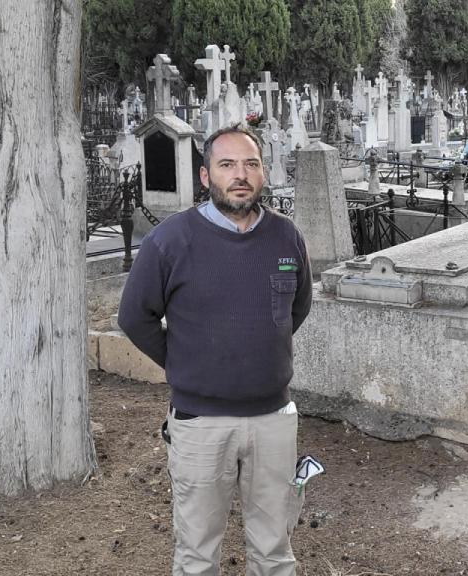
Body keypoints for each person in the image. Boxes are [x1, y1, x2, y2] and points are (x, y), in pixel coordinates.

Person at [118, 124, 313, 576]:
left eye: (250, 164)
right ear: (206, 177)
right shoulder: (171, 241)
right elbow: (134, 317)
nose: (240, 174)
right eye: (226, 165)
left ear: (264, 173)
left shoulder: (287, 238)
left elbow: (296, 309)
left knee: (275, 550)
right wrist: (186, 361)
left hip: (273, 422)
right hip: (200, 425)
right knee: (197, 554)